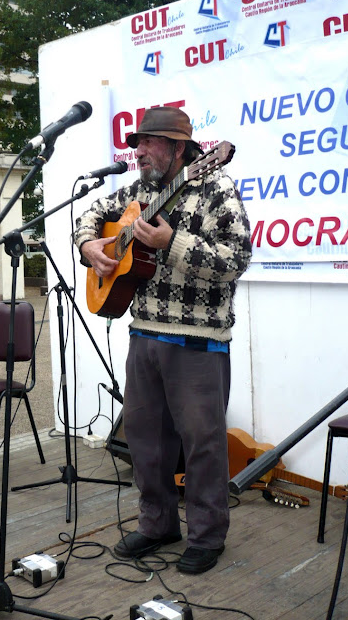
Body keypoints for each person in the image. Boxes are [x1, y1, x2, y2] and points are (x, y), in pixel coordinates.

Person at [75, 106, 252, 574]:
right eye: (136, 143)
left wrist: (171, 243)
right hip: (144, 334)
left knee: (202, 444)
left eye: (148, 142)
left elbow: (235, 260)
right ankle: (157, 525)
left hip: (197, 340)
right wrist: (89, 244)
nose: (137, 151)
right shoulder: (137, 191)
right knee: (145, 440)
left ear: (179, 148)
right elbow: (93, 212)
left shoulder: (216, 187)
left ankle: (208, 535)